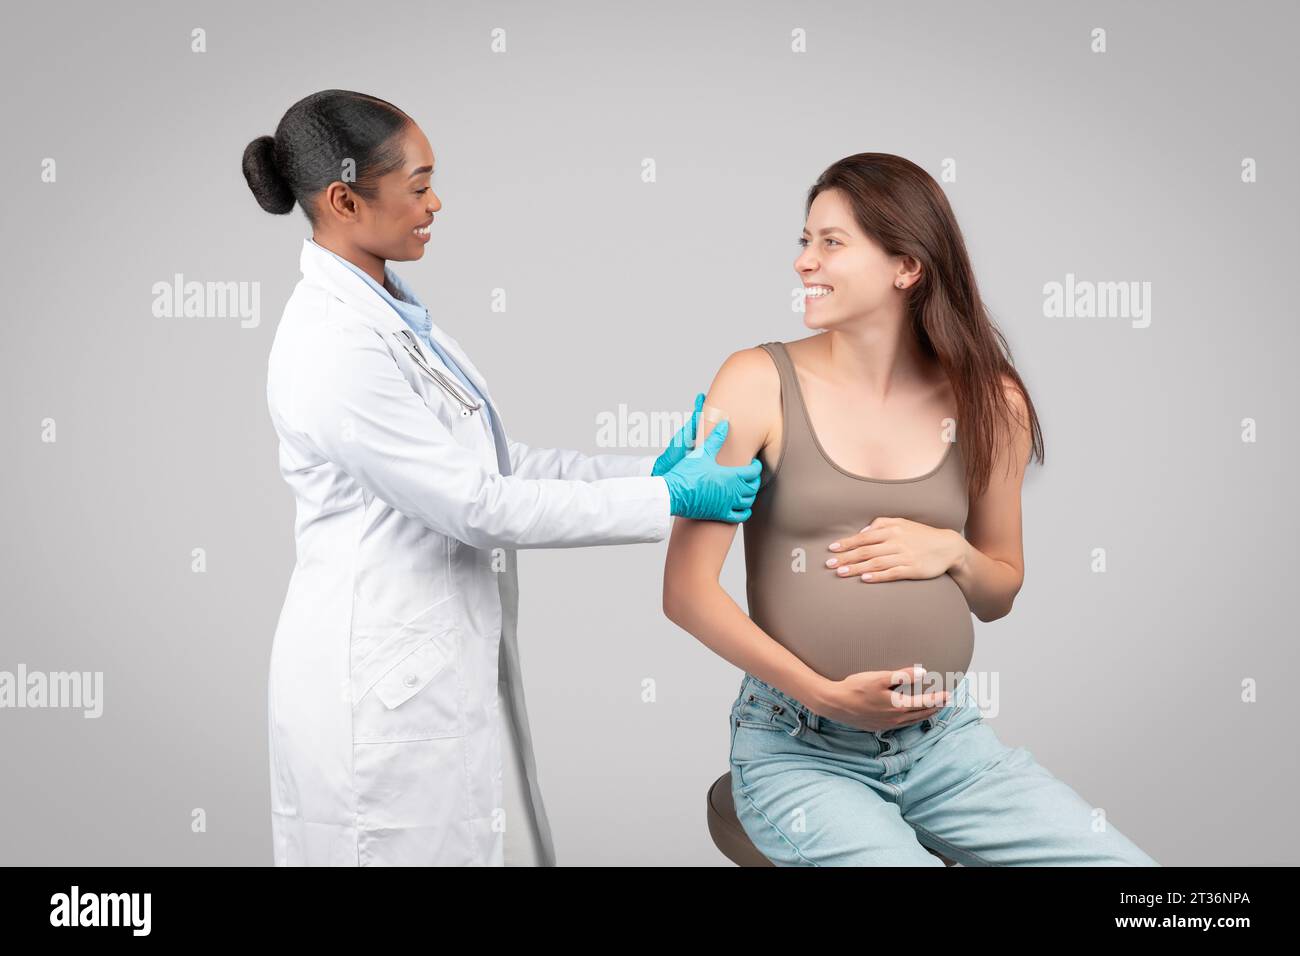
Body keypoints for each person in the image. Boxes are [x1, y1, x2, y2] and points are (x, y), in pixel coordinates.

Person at [241, 89, 762, 866]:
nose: (435, 202)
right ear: (345, 199)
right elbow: (476, 505)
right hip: (373, 699)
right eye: (417, 187)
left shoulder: (389, 313)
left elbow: (493, 464)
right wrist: (669, 500)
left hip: (431, 669)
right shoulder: (331, 346)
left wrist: (647, 470)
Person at [663, 153, 1159, 866]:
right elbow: (684, 594)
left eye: (832, 242)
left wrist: (954, 554)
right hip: (799, 747)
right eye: (806, 240)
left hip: (948, 747)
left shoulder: (992, 399)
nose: (804, 262)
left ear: (907, 267)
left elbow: (1001, 591)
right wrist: (826, 697)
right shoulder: (755, 381)